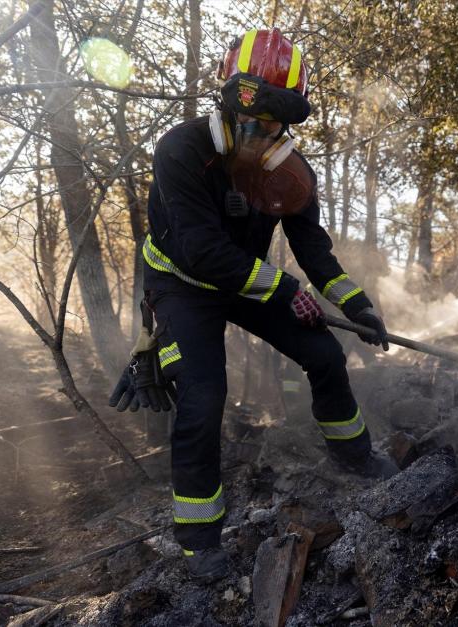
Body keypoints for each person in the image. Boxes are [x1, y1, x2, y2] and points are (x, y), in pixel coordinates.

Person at [108, 28, 397, 583]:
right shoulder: (180, 150)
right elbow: (199, 250)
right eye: (244, 121)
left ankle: (355, 456)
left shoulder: (292, 174)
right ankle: (199, 540)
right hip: (181, 283)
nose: (251, 136)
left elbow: (313, 250)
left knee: (324, 354)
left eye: (266, 127)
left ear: (283, 127)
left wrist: (357, 306)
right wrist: (287, 290)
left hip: (245, 281)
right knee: (202, 393)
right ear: (225, 104)